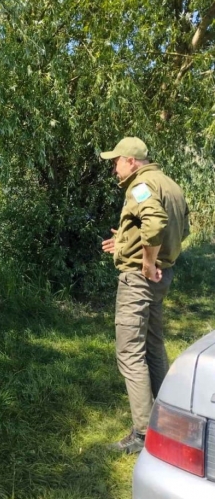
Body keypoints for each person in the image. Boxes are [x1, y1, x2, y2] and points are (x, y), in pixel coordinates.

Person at [100, 137, 189, 454]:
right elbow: (179, 231)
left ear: (132, 161)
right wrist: (124, 242)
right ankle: (166, 417)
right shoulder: (170, 185)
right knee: (153, 345)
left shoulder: (141, 186)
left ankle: (142, 433)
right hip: (162, 277)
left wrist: (147, 263)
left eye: (117, 161)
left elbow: (154, 224)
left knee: (129, 353)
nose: (114, 168)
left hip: (141, 279)